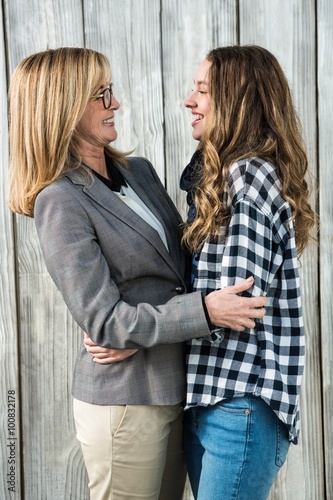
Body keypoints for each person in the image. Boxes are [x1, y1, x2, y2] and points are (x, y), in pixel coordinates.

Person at [7, 47, 267, 500]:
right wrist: (202, 313)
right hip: (123, 404)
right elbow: (106, 322)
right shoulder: (61, 200)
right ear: (63, 107)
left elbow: (181, 266)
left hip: (177, 390)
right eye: (101, 95)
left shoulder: (139, 173)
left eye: (112, 91)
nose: (116, 104)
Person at [178, 45, 316, 499]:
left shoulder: (248, 176)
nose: (189, 101)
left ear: (236, 103)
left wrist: (125, 324)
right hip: (213, 400)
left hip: (239, 407)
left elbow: (232, 307)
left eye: (202, 91)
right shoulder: (226, 178)